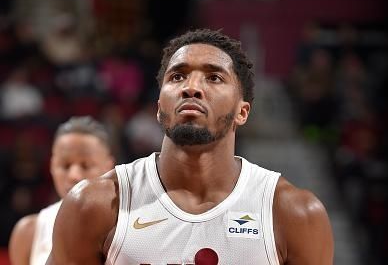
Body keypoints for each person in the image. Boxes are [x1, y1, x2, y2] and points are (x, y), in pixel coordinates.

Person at [46, 29, 334, 265]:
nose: (191, 87)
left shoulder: (293, 213)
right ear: (159, 108)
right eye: (178, 76)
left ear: (242, 112)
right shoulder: (93, 205)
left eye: (214, 77)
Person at [9, 116, 115, 265]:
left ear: (108, 166)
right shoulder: (28, 232)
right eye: (65, 166)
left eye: (85, 165)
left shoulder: (128, 226)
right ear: (52, 166)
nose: (74, 176)